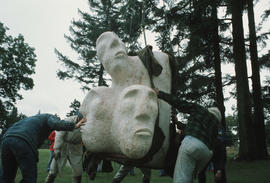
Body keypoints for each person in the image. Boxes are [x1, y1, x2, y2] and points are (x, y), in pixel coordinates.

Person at [154, 89, 221, 183]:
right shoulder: (214, 124)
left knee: (181, 178)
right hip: (206, 153)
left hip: (190, 145)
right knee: (189, 176)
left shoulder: (200, 110)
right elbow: (212, 141)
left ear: (208, 111)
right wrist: (177, 123)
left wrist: (160, 94)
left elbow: (180, 103)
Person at [0, 113, 86, 183]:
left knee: (7, 176)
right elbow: (57, 124)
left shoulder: (30, 119)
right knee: (29, 178)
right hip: (23, 141)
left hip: (6, 140)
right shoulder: (49, 117)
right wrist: (74, 126)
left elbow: (12, 127)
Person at [45, 114, 84, 183]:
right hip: (63, 146)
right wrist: (57, 149)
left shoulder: (88, 124)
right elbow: (59, 134)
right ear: (78, 117)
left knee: (78, 170)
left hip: (76, 147)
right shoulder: (67, 120)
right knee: (54, 168)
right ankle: (49, 180)